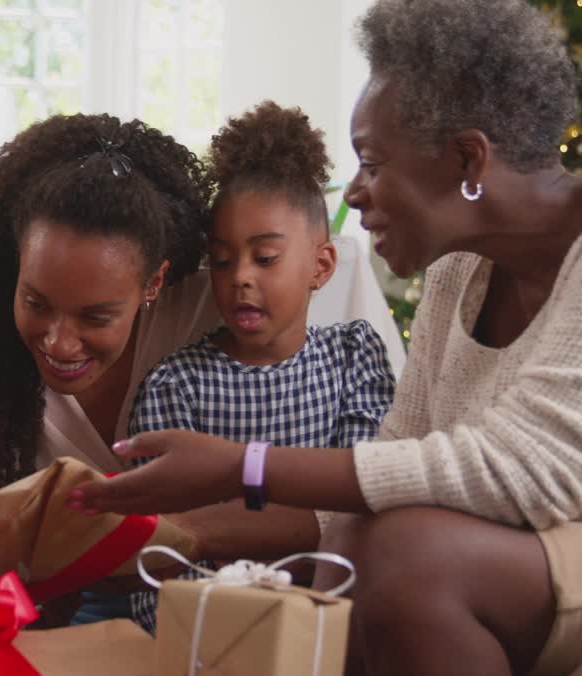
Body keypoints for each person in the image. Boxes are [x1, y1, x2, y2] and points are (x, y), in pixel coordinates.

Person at [67, 1, 582, 676]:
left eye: (373, 163)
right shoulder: (458, 274)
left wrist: (241, 465)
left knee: (411, 556)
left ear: (469, 159)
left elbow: (524, 473)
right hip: (553, 551)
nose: (353, 192)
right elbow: (395, 465)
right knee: (356, 539)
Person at [0, 113, 321, 607]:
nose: (60, 343)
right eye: (36, 303)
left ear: (153, 282)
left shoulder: (215, 311)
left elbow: (333, 503)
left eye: (96, 317)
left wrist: (156, 535)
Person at [123, 101, 396, 633]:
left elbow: (362, 508)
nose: (239, 277)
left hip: (330, 622)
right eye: (221, 261)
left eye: (265, 258)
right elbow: (159, 549)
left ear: (321, 266)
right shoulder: (177, 385)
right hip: (209, 628)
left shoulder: (353, 358)